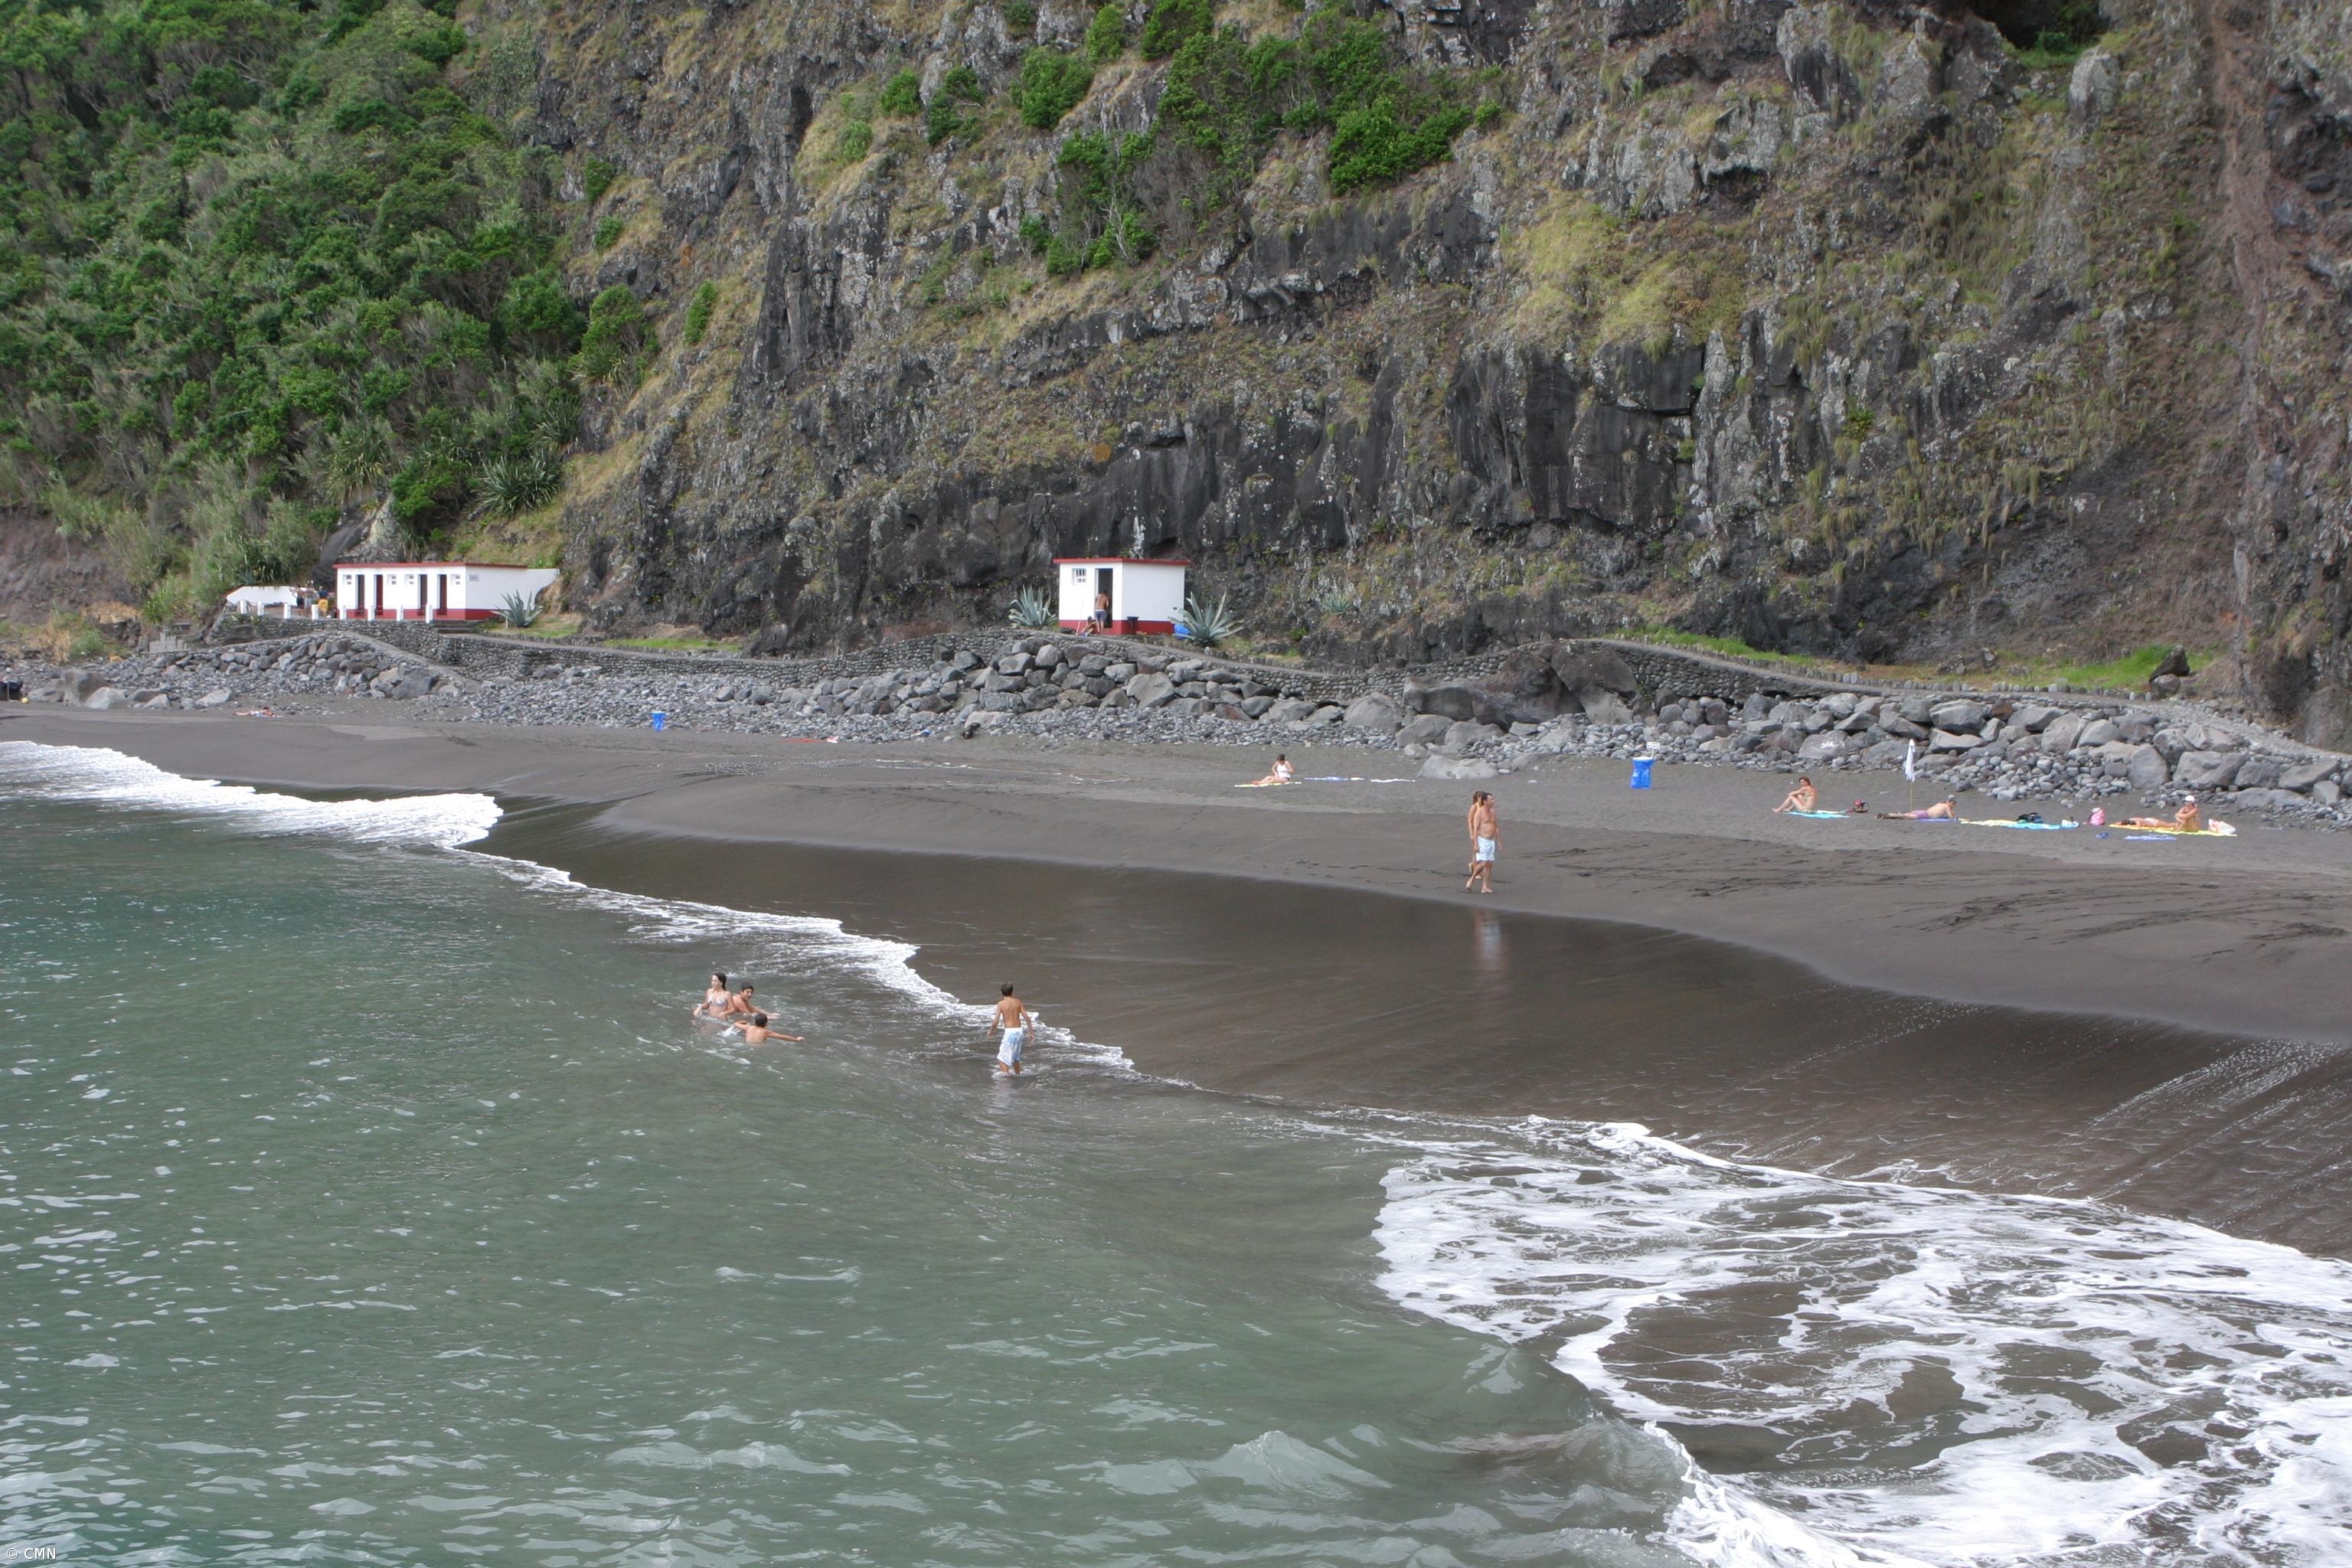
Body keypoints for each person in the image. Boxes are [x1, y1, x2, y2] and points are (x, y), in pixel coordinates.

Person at [991, 983, 1034, 1076]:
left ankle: (1006, 1081)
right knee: (1015, 1057)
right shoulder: (1018, 1002)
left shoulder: (1001, 1004)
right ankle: (1018, 1076)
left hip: (1010, 1032)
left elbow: (995, 1022)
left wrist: (991, 1031)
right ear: (1012, 991)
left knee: (1002, 1058)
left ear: (1001, 993)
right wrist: (1031, 1033)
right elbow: (1027, 1018)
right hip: (1019, 1031)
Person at [1465, 791, 1498, 893]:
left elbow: (1495, 826)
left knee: (1489, 864)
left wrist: (1499, 840)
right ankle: (1473, 878)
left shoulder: (1492, 812)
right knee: (1483, 862)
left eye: (1493, 799)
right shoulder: (1476, 808)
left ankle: (1484, 887)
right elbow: (1470, 821)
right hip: (1481, 838)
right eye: (1491, 800)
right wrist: (1474, 840)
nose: (1493, 801)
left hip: (1490, 840)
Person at [2125, 796, 2202, 832]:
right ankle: (2177, 828)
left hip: (2193, 828)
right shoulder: (2184, 808)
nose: (2186, 803)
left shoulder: (2195, 810)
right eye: (2186, 801)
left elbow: (2185, 816)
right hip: (2186, 826)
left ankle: (2178, 828)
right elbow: (2178, 815)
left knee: (2184, 819)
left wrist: (2179, 817)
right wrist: (2179, 818)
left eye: (2187, 802)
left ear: (2191, 802)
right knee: (2170, 824)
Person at [730, 1011, 802, 1045]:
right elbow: (782, 1037)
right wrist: (796, 1039)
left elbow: (736, 1024)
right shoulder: (766, 1032)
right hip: (758, 1047)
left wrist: (744, 1021)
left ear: (755, 1022)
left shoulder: (749, 1028)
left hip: (747, 1044)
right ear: (766, 1024)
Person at [1878, 798, 1958, 820]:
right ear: (1949, 802)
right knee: (1906, 817)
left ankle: (1888, 815)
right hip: (1926, 815)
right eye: (1952, 805)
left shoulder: (1940, 804)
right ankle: (1888, 815)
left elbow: (1938, 813)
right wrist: (1953, 814)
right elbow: (1951, 818)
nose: (1952, 807)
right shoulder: (1946, 806)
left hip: (1923, 811)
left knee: (1906, 815)